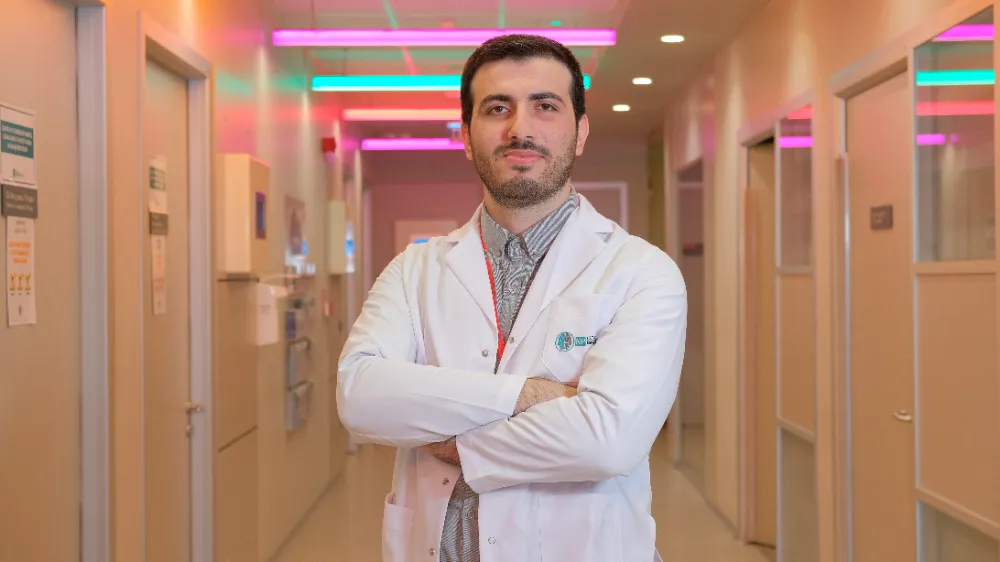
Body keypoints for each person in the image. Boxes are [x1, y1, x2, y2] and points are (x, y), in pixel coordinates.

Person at [337, 33, 687, 562]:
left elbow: (608, 440)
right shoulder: (415, 270)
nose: (520, 128)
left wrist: (453, 442)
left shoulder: (642, 271)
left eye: (545, 106)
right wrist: (528, 396)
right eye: (497, 108)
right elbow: (360, 395)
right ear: (466, 134)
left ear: (580, 131)